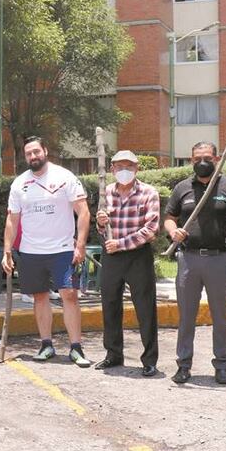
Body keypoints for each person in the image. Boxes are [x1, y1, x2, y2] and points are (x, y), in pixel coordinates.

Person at [164, 142, 226, 385]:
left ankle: (221, 365)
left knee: (220, 316)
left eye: (207, 158)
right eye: (197, 158)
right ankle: (183, 365)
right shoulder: (182, 188)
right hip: (188, 260)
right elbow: (169, 218)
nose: (202, 162)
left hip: (219, 260)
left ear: (216, 159)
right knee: (186, 316)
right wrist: (173, 231)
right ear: (191, 160)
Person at [2, 136, 92, 366]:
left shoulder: (65, 177)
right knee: (40, 296)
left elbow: (83, 212)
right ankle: (46, 345)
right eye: (28, 153)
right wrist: (7, 251)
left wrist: (80, 245)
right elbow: (12, 220)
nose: (33, 156)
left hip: (63, 249)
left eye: (36, 151)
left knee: (69, 295)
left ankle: (76, 348)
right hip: (31, 251)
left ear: (45, 151)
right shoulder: (19, 183)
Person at [94, 150, 161, 376]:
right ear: (112, 169)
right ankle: (113, 354)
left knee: (145, 308)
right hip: (112, 257)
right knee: (110, 305)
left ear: (137, 168)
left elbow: (151, 230)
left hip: (137, 256)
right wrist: (100, 224)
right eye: (120, 166)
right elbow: (101, 228)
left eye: (129, 166)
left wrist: (120, 244)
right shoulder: (105, 193)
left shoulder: (148, 193)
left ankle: (149, 359)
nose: (125, 171)